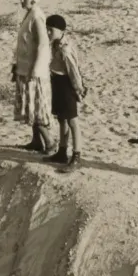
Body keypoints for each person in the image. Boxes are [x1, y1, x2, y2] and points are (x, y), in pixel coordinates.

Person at [11, 0, 55, 155]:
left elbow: (43, 45)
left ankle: (49, 142)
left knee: (36, 109)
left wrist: (35, 70)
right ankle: (37, 141)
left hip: (34, 72)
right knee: (30, 107)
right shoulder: (30, 15)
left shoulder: (37, 16)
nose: (21, 0)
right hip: (25, 68)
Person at [44, 14, 87, 169]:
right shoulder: (55, 44)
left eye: (51, 30)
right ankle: (62, 152)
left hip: (66, 84)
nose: (48, 33)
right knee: (62, 118)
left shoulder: (65, 49)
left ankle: (76, 155)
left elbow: (74, 71)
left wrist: (78, 90)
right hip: (57, 82)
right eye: (47, 29)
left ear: (61, 30)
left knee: (72, 121)